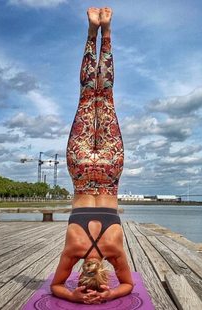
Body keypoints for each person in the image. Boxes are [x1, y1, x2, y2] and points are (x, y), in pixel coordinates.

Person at [50, 7, 134, 304]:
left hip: (109, 169)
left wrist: (110, 293)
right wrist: (73, 296)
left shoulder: (114, 250)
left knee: (105, 96)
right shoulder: (73, 250)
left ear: (104, 272)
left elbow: (127, 286)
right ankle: (92, 32)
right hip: (82, 169)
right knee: (88, 95)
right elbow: (56, 287)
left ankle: (106, 33)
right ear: (80, 272)